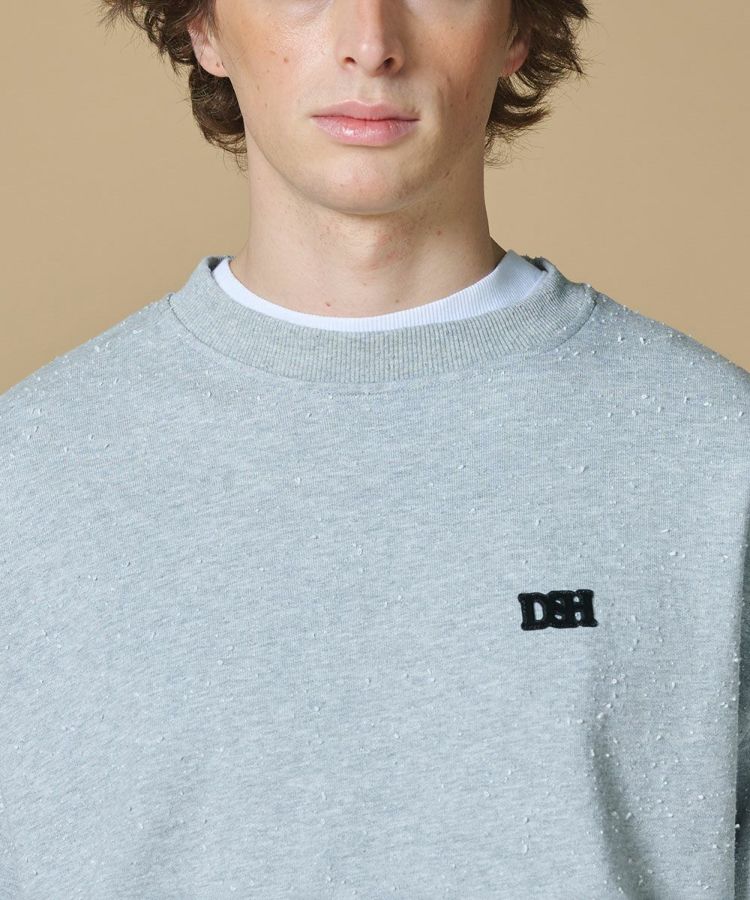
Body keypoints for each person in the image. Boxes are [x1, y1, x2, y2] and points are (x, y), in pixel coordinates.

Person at [1, 0, 748, 896]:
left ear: (516, 28)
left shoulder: (717, 455)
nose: (371, 44)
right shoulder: (26, 477)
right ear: (204, 27)